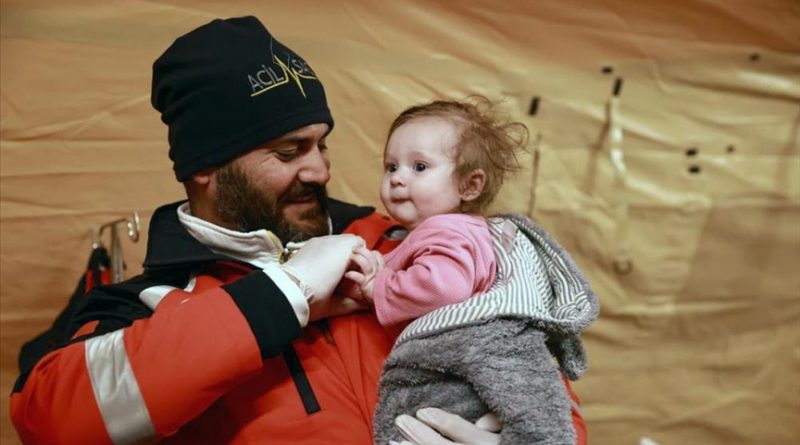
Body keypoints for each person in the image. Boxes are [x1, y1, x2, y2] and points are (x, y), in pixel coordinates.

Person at [9, 16, 511, 445]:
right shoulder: (147, 302)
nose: (320, 171)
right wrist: (284, 293)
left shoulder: (400, 242)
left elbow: (529, 350)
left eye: (321, 145)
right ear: (206, 166)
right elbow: (48, 419)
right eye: (289, 152)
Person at [346, 99, 599, 444]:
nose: (398, 179)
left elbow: (442, 286)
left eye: (419, 167)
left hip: (480, 341)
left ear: (469, 185)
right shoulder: (463, 231)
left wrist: (379, 285)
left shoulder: (445, 230)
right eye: (391, 167)